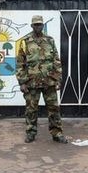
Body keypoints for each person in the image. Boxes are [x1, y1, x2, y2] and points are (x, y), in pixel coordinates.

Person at [16, 15, 68, 144]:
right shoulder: (25, 41)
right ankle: (30, 133)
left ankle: (57, 133)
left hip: (49, 81)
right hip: (32, 82)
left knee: (54, 109)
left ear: (43, 25)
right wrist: (22, 82)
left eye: (40, 24)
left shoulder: (49, 40)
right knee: (31, 110)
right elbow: (19, 64)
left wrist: (58, 79)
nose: (38, 26)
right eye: (35, 24)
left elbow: (56, 60)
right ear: (32, 26)